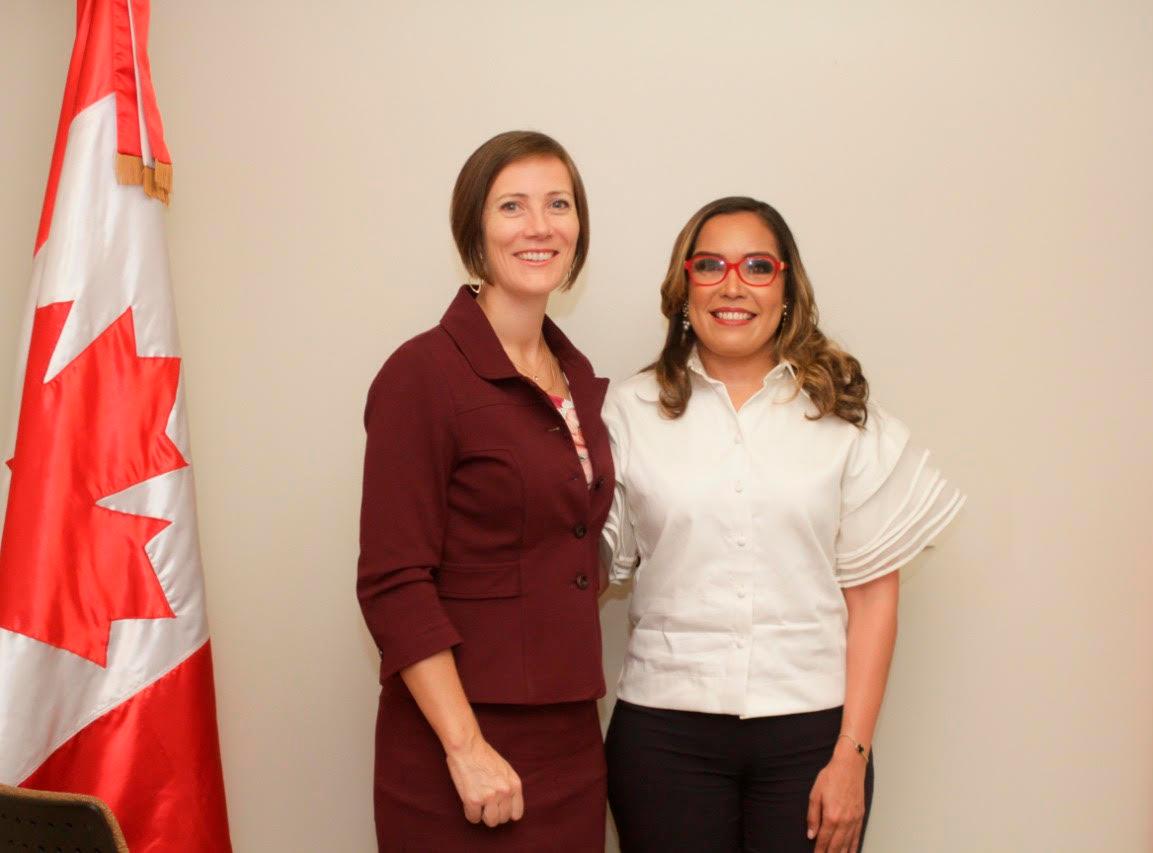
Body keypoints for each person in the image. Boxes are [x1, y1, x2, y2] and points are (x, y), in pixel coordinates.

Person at [601, 197, 964, 853]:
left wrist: (852, 753)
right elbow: (588, 557)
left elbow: (874, 593)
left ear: (788, 290)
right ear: (684, 289)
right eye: (710, 264)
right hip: (663, 734)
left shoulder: (843, 412)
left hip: (812, 737)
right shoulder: (627, 411)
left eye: (758, 266)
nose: (732, 284)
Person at [357, 130, 614, 851]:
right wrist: (466, 747)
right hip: (457, 743)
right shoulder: (422, 374)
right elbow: (394, 581)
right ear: (475, 230)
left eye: (558, 204)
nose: (540, 226)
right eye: (513, 206)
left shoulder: (580, 380)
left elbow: (568, 549)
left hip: (568, 738)